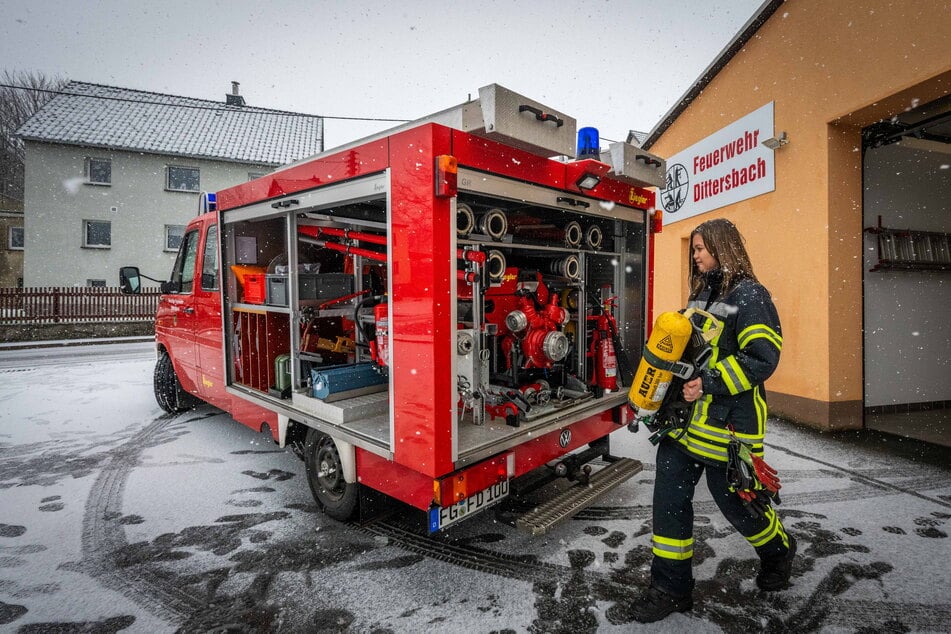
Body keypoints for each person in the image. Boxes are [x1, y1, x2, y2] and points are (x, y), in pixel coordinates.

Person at [630, 218, 795, 623]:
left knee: (739, 507)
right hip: (684, 425)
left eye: (701, 248)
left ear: (725, 248)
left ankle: (778, 549)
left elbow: (762, 358)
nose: (696, 255)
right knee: (668, 504)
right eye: (694, 250)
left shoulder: (751, 296)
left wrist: (709, 382)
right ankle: (670, 589)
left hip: (730, 429)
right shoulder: (702, 292)